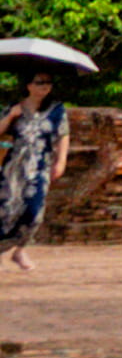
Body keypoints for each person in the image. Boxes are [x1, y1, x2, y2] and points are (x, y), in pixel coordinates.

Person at [0, 74, 61, 272]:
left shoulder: (56, 110)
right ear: (28, 86)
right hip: (14, 167)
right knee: (7, 210)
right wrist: (10, 116)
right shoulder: (14, 107)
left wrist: (61, 161)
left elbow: (63, 135)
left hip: (40, 165)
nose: (45, 87)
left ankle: (20, 248)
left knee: (34, 212)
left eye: (48, 83)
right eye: (40, 83)